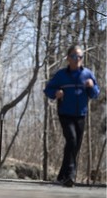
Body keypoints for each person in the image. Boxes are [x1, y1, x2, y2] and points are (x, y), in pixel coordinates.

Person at [43, 45, 100, 187]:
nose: (77, 59)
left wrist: (91, 86)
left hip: (81, 114)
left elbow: (95, 94)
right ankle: (70, 175)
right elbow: (48, 89)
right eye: (74, 56)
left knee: (75, 146)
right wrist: (56, 93)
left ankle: (62, 175)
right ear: (68, 58)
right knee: (72, 140)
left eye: (80, 57)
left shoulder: (87, 74)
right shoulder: (61, 75)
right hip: (65, 113)